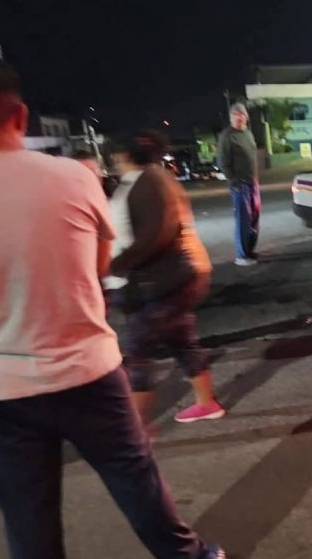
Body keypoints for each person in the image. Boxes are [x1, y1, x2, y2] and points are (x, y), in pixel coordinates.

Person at [0, 58, 223, 559]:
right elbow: (98, 266)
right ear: (21, 115)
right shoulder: (72, 177)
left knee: (29, 515)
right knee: (136, 482)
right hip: (87, 370)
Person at [106, 131, 223, 426]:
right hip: (174, 279)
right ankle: (206, 403)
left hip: (160, 284)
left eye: (115, 156)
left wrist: (115, 265)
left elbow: (154, 236)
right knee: (182, 341)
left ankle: (136, 430)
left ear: (124, 155)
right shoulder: (154, 178)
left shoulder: (146, 183)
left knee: (138, 355)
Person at [217, 102, 259, 266]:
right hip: (239, 184)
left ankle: (249, 250)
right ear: (231, 117)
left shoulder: (247, 134)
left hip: (252, 182)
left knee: (254, 218)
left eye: (242, 114)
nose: (239, 117)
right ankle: (242, 256)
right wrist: (233, 181)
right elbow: (223, 162)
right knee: (243, 220)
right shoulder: (227, 136)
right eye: (236, 114)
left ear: (246, 117)